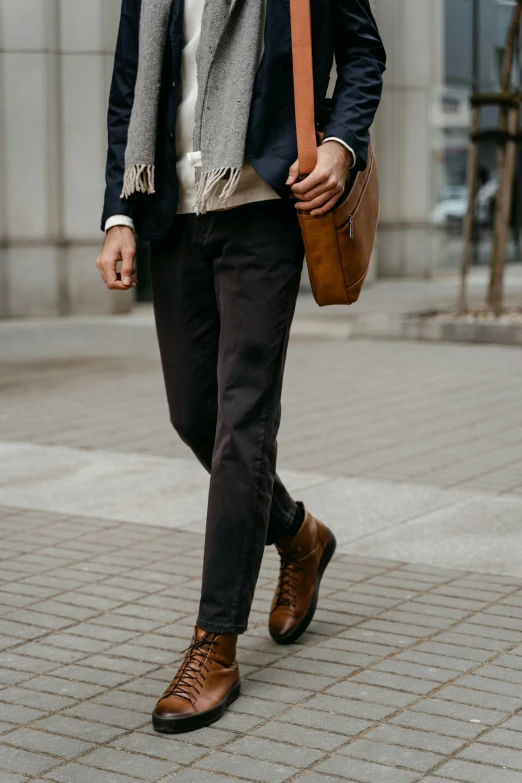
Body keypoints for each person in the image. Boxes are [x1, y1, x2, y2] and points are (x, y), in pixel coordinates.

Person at [96, 0, 385, 734]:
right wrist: (120, 215)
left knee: (241, 420)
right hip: (174, 214)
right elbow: (132, 83)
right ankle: (299, 534)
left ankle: (213, 645)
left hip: (263, 209)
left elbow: (363, 56)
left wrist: (342, 148)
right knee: (194, 414)